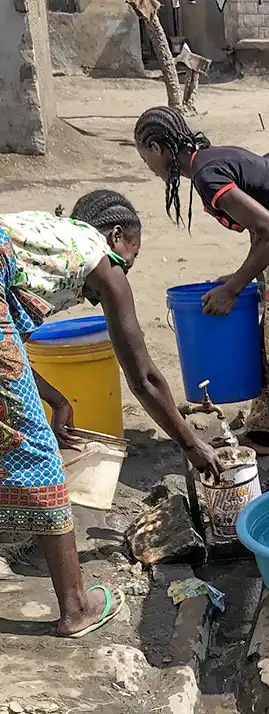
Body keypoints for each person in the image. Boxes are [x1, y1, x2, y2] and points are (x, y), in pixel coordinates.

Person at [0, 191, 219, 637]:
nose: (105, 299)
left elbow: (9, 351)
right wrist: (192, 444)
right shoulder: (103, 259)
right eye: (129, 260)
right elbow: (143, 378)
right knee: (38, 456)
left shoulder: (50, 239)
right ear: (115, 236)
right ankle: (77, 608)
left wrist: (56, 399)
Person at [133, 106, 269, 487]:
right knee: (265, 342)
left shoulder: (206, 174)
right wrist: (237, 275)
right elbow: (264, 225)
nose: (149, 167)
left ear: (158, 147)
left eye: (146, 157)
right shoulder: (209, 164)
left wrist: (233, 288)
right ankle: (261, 440)